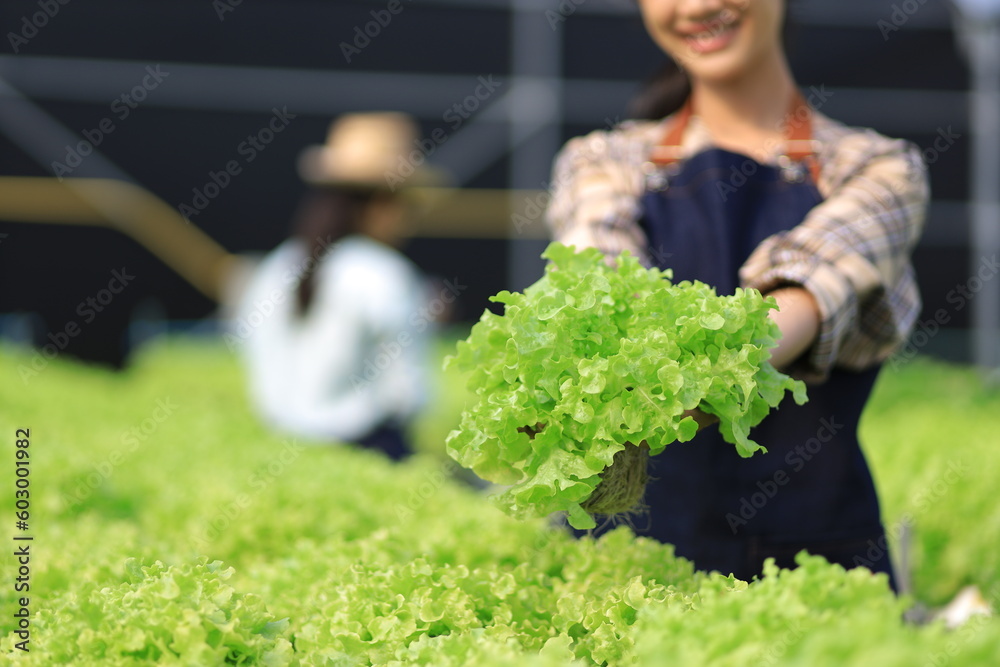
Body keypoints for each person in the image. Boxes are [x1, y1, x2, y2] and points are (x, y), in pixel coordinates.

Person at [545, 0, 928, 589]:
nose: (695, 6)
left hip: (812, 560)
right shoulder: (601, 161)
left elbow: (800, 299)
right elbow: (598, 279)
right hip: (625, 564)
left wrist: (677, 386)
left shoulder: (876, 168)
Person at [235, 112, 443, 460]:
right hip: (369, 451)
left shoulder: (274, 267)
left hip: (279, 449)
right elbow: (407, 393)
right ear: (382, 204)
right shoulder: (384, 274)